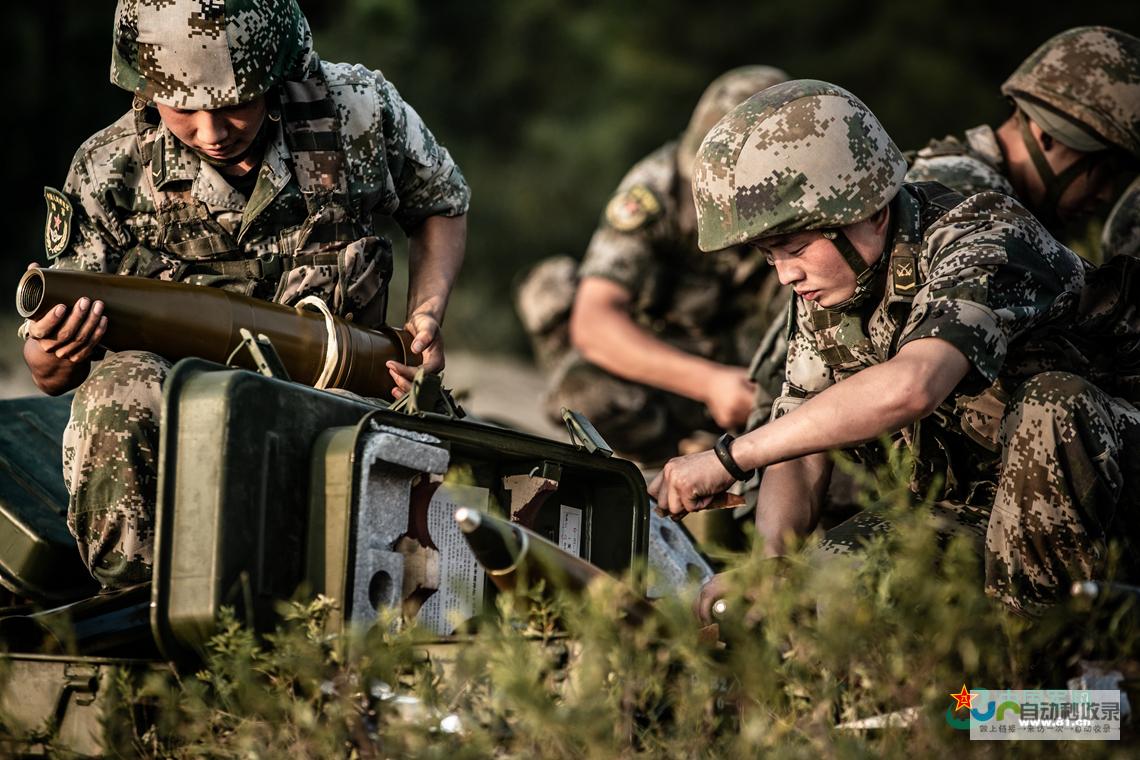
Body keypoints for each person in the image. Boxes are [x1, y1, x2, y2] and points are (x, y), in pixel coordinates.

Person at [648, 79, 1140, 622]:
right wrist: (771, 564)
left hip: (1108, 496)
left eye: (793, 249)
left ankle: (1051, 659)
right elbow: (799, 437)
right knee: (821, 593)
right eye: (770, 256)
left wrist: (729, 458)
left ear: (871, 212)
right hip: (974, 502)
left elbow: (913, 385)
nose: (786, 273)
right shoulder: (833, 283)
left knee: (1054, 404)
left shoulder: (984, 238)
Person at [21, 0, 470, 589]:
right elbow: (49, 372)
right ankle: (140, 611)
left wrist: (425, 315)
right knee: (119, 386)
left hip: (342, 416)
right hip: (186, 441)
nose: (211, 132)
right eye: (182, 106)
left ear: (276, 72)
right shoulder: (111, 170)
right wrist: (51, 356)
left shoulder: (354, 111)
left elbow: (441, 204)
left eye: (234, 103)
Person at [514, 66, 789, 465]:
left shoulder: (798, 198)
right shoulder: (656, 190)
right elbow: (594, 320)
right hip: (668, 357)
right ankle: (666, 459)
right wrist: (709, 383)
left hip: (760, 368)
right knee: (580, 386)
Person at [906, 26, 1140, 257]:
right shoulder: (981, 207)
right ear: (1049, 134)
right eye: (1104, 172)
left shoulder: (958, 178)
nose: (1106, 194)